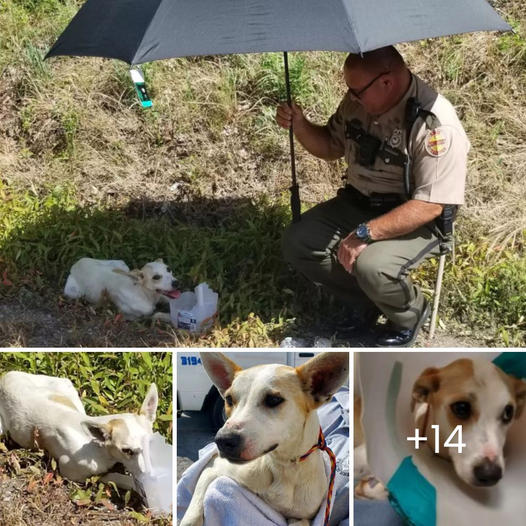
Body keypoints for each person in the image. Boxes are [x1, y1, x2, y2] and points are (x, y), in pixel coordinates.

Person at [276, 46, 470, 346]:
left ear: (387, 82)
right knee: (299, 241)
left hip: (414, 217)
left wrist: (365, 234)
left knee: (372, 265)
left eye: (357, 91)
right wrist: (300, 126)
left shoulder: (435, 124)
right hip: (357, 202)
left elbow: (431, 204)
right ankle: (366, 302)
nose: (351, 97)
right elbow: (330, 146)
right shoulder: (359, 103)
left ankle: (409, 314)